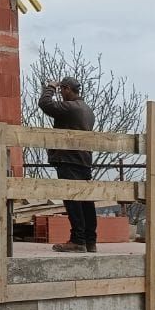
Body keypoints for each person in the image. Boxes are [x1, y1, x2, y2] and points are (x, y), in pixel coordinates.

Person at [39, 77, 96, 253]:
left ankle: (78, 241)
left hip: (69, 160)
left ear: (67, 89)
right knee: (86, 201)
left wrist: (50, 87)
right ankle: (90, 241)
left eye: (62, 90)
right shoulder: (87, 110)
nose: (61, 93)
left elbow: (45, 104)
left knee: (73, 201)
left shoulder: (70, 108)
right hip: (84, 160)